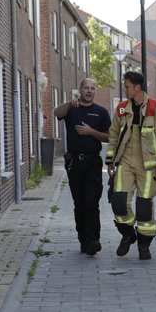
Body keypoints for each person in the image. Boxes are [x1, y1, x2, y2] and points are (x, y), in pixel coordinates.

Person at [105, 70, 156, 260]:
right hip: (126, 161)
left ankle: (144, 244)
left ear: (137, 87)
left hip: (148, 165)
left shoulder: (155, 108)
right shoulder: (121, 109)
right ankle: (128, 235)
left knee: (144, 208)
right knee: (118, 202)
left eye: (127, 86)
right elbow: (113, 136)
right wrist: (110, 161)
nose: (125, 89)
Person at [53, 78, 111, 256]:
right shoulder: (72, 109)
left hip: (93, 162)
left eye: (92, 88)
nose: (89, 91)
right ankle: (83, 239)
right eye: (86, 88)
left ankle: (94, 239)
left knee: (91, 201)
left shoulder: (101, 112)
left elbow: (109, 137)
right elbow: (57, 112)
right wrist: (69, 104)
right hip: (74, 163)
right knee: (79, 203)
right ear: (80, 90)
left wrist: (91, 132)